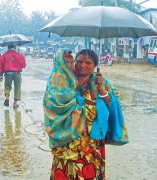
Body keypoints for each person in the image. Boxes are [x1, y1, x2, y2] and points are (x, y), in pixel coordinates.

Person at [43, 49, 129, 179]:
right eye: (79, 62)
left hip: (92, 144)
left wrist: (101, 90)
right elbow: (52, 107)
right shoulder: (63, 82)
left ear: (94, 66)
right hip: (67, 141)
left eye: (88, 62)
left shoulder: (101, 82)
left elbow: (113, 106)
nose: (83, 65)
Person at [0, 44, 26, 108]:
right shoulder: (20, 56)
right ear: (15, 48)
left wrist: (1, 75)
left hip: (8, 73)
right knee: (17, 88)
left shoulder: (4, 56)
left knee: (7, 86)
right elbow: (24, 65)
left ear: (8, 48)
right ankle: (15, 103)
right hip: (17, 73)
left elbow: (0, 65)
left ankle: (7, 97)